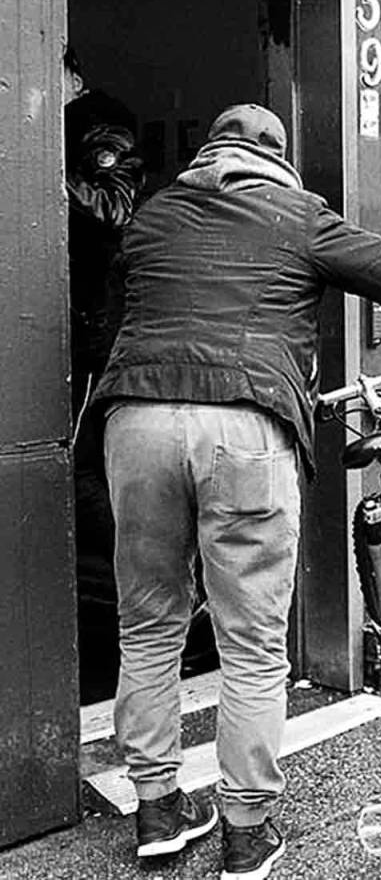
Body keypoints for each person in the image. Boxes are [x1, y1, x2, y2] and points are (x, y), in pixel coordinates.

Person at [91, 103, 381, 880]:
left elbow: (109, 320)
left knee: (149, 625)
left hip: (137, 423)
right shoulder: (298, 215)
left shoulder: (154, 217)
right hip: (245, 426)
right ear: (277, 160)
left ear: (208, 156)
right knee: (252, 640)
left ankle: (158, 810)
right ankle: (246, 830)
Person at [63, 45, 146, 702]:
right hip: (70, 324)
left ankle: (149, 580)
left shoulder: (100, 124)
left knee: (75, 465)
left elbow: (113, 208)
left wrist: (41, 168)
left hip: (89, 333)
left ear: (71, 75)